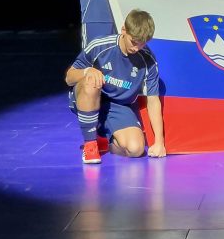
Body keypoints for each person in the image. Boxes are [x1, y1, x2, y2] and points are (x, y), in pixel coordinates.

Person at [65, 9, 166, 164]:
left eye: (142, 43)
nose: (136, 48)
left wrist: (159, 142)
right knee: (91, 81)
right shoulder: (100, 46)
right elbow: (69, 77)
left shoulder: (148, 60)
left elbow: (153, 101)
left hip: (118, 106)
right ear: (124, 30)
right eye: (133, 42)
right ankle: (90, 145)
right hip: (90, 95)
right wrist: (87, 71)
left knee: (136, 149)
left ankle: (106, 139)